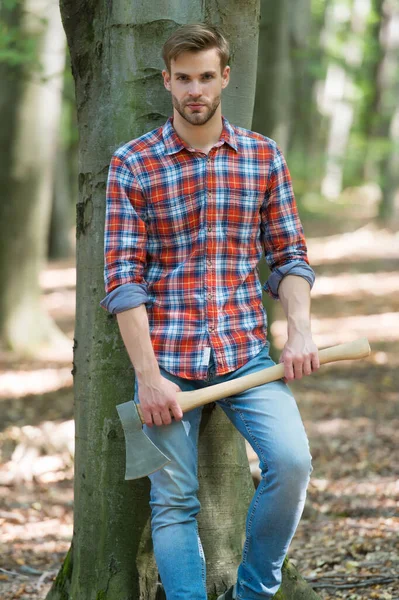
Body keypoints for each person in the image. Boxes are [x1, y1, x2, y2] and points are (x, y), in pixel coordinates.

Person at [101, 22, 320, 600]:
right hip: (167, 362)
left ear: (224, 77)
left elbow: (291, 255)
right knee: (172, 501)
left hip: (246, 356)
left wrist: (299, 331)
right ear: (167, 82)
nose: (194, 90)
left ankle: (252, 594)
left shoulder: (262, 156)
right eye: (182, 79)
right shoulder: (133, 163)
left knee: (293, 463)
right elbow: (123, 283)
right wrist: (148, 379)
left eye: (205, 76)